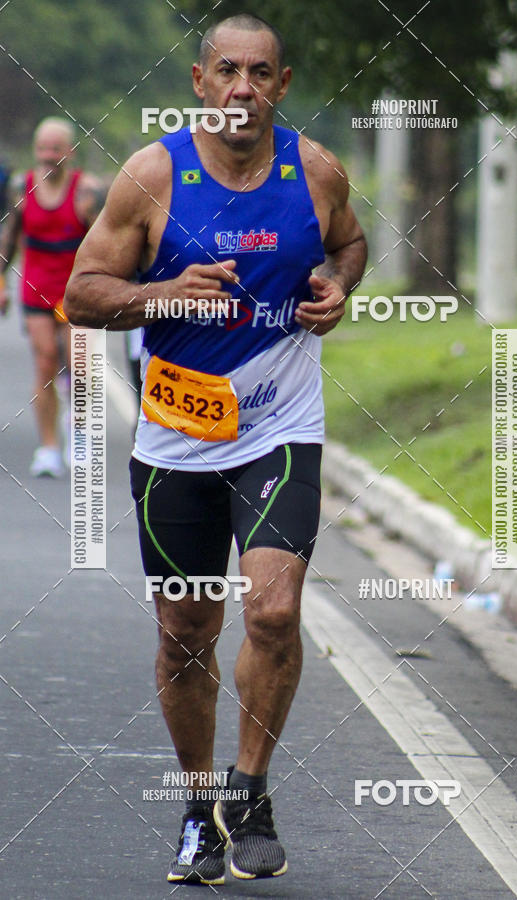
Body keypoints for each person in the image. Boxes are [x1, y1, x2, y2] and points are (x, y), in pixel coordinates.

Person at [64, 12, 367, 886]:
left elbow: (349, 244)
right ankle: (198, 811)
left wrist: (337, 288)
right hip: (178, 436)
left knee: (272, 612)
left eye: (260, 73)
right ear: (200, 82)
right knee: (186, 633)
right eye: (226, 71)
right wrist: (164, 295)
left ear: (282, 84)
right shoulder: (151, 177)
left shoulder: (315, 172)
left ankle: (253, 792)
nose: (243, 88)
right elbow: (82, 294)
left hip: (279, 428)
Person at [0, 117, 103, 476]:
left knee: (78, 367)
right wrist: (0, 282)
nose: (47, 156)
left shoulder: (86, 192)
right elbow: (10, 239)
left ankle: (79, 438)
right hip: (36, 288)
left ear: (69, 152)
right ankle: (48, 449)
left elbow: (104, 247)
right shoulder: (22, 188)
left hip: (75, 293)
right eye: (41, 148)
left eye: (54, 149)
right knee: (44, 363)